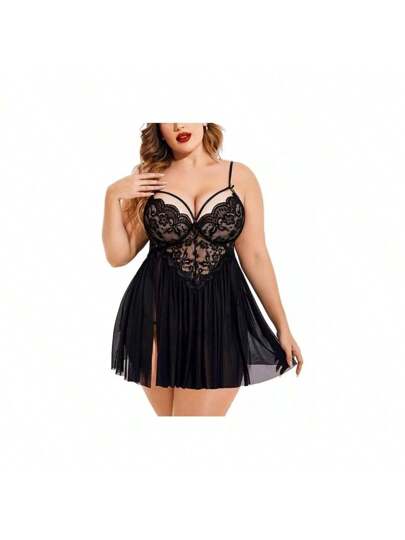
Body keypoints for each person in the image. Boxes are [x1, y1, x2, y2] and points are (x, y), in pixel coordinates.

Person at [102, 123, 303, 416]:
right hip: (154, 319)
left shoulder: (239, 176)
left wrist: (282, 325)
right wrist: (112, 196)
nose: (179, 125)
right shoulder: (150, 176)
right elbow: (118, 255)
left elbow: (256, 255)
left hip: (219, 320)